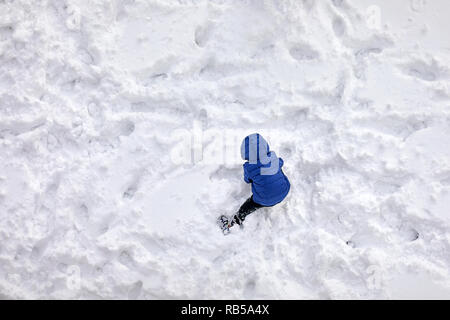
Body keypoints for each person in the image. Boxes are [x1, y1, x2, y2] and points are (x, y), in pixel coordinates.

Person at [219, 133, 290, 233]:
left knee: (249, 205)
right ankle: (277, 184)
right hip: (284, 191)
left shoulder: (249, 167)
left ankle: (237, 218)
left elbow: (247, 180)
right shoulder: (273, 157)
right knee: (277, 170)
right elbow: (281, 162)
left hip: (265, 200)